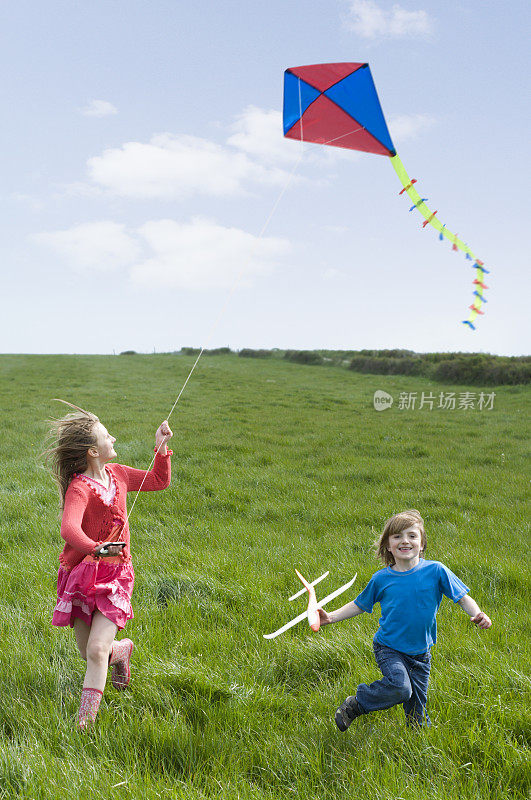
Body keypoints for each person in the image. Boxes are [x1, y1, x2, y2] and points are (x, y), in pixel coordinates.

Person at [45, 402, 173, 729]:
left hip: (116, 574)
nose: (113, 437)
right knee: (89, 651)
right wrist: (96, 549)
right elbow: (69, 529)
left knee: (97, 649)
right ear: (93, 451)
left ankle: (84, 725)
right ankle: (123, 652)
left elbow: (159, 480)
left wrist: (161, 446)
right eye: (106, 436)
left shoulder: (118, 474)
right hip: (82, 575)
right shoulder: (80, 487)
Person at [318, 509, 491, 730]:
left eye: (412, 535)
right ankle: (357, 704)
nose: (405, 541)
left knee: (417, 718)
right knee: (401, 688)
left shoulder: (436, 571)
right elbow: (359, 604)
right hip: (389, 647)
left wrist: (477, 614)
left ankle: (417, 745)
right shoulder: (381, 579)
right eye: (397, 536)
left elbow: (463, 598)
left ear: (422, 544)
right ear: (388, 546)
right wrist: (330, 617)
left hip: (421, 653)